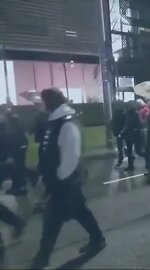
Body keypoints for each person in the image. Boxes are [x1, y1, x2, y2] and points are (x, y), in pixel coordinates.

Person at [31, 88, 105, 269]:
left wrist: (57, 179)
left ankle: (41, 260)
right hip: (63, 184)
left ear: (49, 102)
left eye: (41, 101)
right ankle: (98, 239)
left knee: (51, 223)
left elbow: (70, 158)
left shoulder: (67, 125)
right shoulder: (56, 123)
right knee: (81, 212)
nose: (39, 104)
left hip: (64, 185)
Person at [5, 113, 28, 196]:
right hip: (16, 153)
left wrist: (20, 150)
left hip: (19, 154)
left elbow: (24, 142)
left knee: (19, 171)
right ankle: (15, 187)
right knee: (15, 172)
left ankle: (21, 188)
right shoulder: (13, 129)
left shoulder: (18, 129)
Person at [121, 102, 144, 171]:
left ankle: (147, 158)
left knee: (138, 151)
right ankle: (131, 166)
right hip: (129, 135)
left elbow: (140, 124)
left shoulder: (136, 114)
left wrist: (135, 129)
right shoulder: (128, 114)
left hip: (135, 135)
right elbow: (126, 124)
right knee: (129, 151)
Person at [111, 102, 127, 168]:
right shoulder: (124, 114)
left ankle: (120, 160)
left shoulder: (115, 114)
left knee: (120, 147)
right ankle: (129, 156)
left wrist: (115, 132)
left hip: (118, 133)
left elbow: (113, 124)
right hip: (124, 132)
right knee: (125, 146)